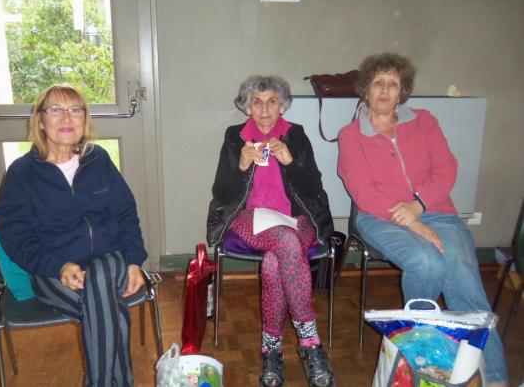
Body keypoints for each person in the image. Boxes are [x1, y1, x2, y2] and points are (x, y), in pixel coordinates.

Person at [337, 53, 508, 387]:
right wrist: (411, 221)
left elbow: (446, 169)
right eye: (378, 82)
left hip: (436, 210)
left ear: (402, 91)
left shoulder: (424, 121)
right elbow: (363, 191)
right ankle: (424, 358)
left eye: (393, 83)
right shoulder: (351, 135)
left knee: (463, 274)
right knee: (426, 263)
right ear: (365, 89)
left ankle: (495, 376)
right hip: (379, 216)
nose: (384, 90)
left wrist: (419, 207)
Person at [0, 84, 147, 387]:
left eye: (75, 110)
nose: (67, 117)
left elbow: (126, 214)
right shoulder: (21, 174)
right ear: (40, 120)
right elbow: (16, 238)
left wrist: (133, 261)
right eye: (56, 110)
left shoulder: (98, 159)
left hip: (111, 262)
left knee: (101, 279)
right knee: (105, 306)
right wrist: (58, 266)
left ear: (84, 119)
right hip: (53, 272)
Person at [207, 75, 336, 387]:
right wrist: (241, 166)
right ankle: (311, 344)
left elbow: (314, 189)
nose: (264, 109)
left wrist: (290, 162)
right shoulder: (235, 137)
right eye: (257, 102)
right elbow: (221, 193)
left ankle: (272, 351)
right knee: (286, 242)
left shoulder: (296, 135)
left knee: (274, 262)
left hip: (294, 218)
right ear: (247, 108)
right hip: (249, 218)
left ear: (283, 106)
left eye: (272, 101)